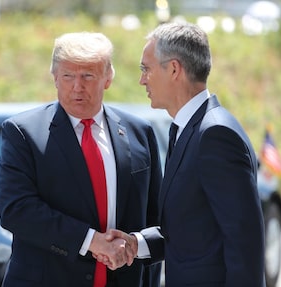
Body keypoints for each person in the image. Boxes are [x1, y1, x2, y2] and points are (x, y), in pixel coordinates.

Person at [103, 22, 266, 287]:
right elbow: (193, 231)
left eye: (146, 69)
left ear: (175, 70)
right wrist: (137, 244)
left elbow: (245, 243)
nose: (142, 79)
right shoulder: (185, 129)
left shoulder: (215, 135)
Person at [0, 32, 163, 287]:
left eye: (87, 76)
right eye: (67, 76)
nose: (77, 87)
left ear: (108, 78)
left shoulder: (139, 132)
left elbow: (157, 216)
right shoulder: (23, 132)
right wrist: (90, 240)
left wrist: (134, 245)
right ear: (54, 78)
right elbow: (17, 210)